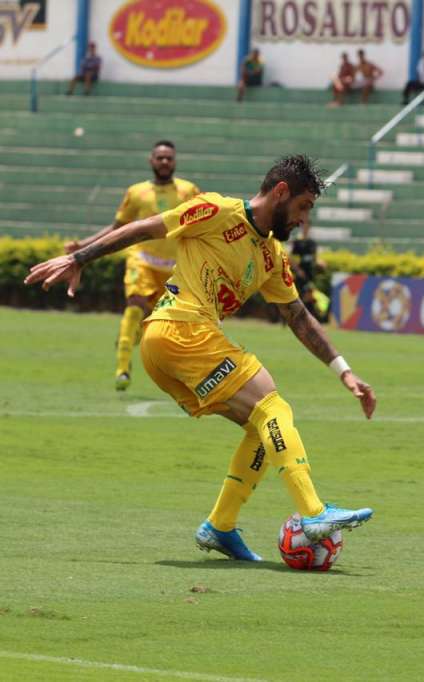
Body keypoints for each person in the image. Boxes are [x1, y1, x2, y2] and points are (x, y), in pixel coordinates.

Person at [25, 155, 377, 559]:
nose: (302, 220)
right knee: (273, 407)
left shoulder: (271, 257)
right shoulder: (218, 210)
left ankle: (220, 526)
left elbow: (297, 315)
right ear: (281, 192)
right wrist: (77, 258)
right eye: (302, 207)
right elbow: (145, 227)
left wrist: (344, 371)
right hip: (181, 329)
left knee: (260, 427)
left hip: (168, 346)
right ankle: (314, 512)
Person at [64, 141, 200, 391]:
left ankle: (131, 341)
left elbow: (203, 222)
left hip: (175, 269)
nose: (164, 162)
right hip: (142, 261)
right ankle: (122, 369)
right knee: (135, 307)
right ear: (151, 161)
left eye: (168, 158)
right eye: (159, 157)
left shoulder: (188, 190)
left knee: (162, 325)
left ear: (175, 161)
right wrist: (83, 246)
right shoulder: (136, 192)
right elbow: (118, 228)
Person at [289, 221, 326, 320]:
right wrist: (298, 270)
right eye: (304, 227)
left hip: (310, 274)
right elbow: (291, 258)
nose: (306, 229)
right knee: (298, 296)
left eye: (307, 227)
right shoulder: (297, 242)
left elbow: (314, 258)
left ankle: (306, 318)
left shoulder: (312, 243)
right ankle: (292, 317)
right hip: (300, 275)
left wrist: (320, 263)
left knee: (309, 296)